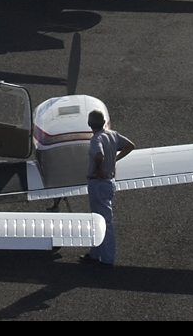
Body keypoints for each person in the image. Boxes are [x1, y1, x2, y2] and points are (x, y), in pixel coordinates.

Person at [80, 109, 135, 267]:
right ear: (104, 122)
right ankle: (94, 254)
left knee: (105, 221)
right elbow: (130, 145)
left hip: (98, 182)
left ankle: (107, 259)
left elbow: (98, 155)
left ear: (90, 124)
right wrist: (115, 159)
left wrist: (98, 167)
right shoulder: (113, 135)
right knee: (98, 219)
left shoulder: (96, 139)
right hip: (109, 181)